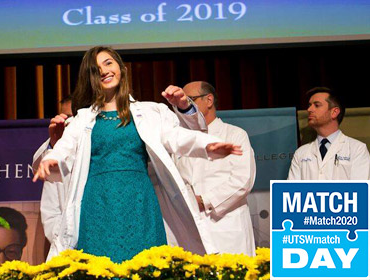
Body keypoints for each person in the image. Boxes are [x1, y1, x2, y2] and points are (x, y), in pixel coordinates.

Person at [32, 46, 243, 262]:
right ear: (90, 78)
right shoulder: (83, 119)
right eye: (96, 69)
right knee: (99, 268)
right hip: (97, 204)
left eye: (108, 63)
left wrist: (208, 145)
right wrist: (51, 158)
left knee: (144, 266)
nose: (104, 71)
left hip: (139, 201)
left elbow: (176, 136)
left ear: (121, 68)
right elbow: (64, 146)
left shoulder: (150, 112)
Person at [163, 81, 256, 256]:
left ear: (209, 100)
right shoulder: (181, 141)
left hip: (226, 226)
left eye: (190, 100)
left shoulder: (235, 134)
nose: (184, 105)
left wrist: (204, 200)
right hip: (191, 227)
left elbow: (243, 180)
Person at [288, 87, 370, 180]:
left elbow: (359, 191)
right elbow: (291, 191)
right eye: (309, 105)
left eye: (317, 105)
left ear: (334, 112)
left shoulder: (357, 149)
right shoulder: (301, 153)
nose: (309, 109)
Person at [37, 96, 73, 247]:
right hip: (70, 252)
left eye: (73, 118)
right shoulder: (53, 158)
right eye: (65, 118)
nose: (68, 123)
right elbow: (51, 214)